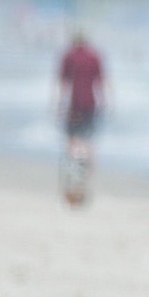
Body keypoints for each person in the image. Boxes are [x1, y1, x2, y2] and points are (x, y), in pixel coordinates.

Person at [57, 31, 105, 207]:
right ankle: (88, 180)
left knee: (71, 143)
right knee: (88, 143)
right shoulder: (94, 56)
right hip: (90, 104)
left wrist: (59, 105)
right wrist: (105, 102)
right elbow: (101, 81)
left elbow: (63, 83)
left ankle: (72, 182)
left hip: (73, 105)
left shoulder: (68, 56)